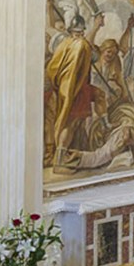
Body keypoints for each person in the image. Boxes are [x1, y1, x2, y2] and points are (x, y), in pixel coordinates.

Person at [44, 12, 103, 168]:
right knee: (70, 124)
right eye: (78, 32)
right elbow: (91, 53)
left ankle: (62, 154)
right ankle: (60, 158)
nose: (80, 35)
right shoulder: (80, 45)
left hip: (65, 89)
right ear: (72, 32)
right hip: (77, 90)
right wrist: (96, 27)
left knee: (72, 124)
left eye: (81, 32)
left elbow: (53, 68)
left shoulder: (64, 45)